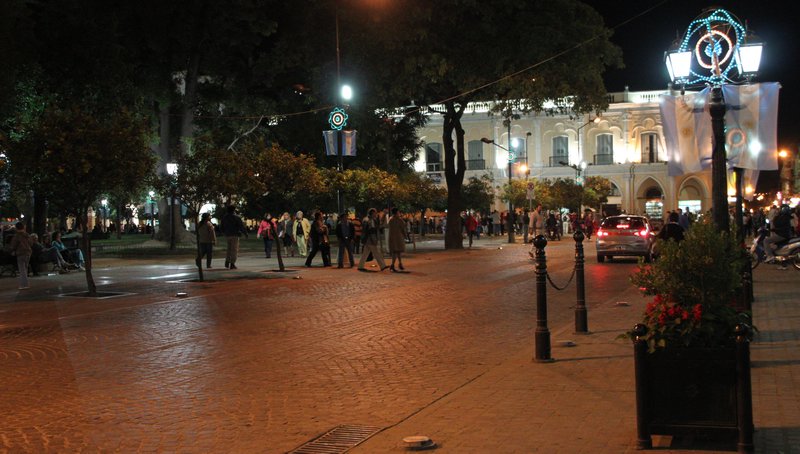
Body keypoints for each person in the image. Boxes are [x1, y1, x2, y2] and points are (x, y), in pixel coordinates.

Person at [9, 222, 32, 289]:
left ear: (16, 228)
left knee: (22, 270)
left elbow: (13, 245)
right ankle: (25, 284)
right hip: (28, 253)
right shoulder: (27, 235)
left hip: (21, 253)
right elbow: (31, 243)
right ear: (23, 227)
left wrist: (12, 251)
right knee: (25, 268)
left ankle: (24, 285)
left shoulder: (16, 236)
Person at [387, 207, 406, 272]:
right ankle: (393, 265)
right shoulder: (399, 220)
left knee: (396, 251)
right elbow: (403, 228)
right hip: (398, 237)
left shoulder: (390, 219)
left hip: (392, 237)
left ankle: (399, 263)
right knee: (397, 251)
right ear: (397, 212)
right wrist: (405, 236)